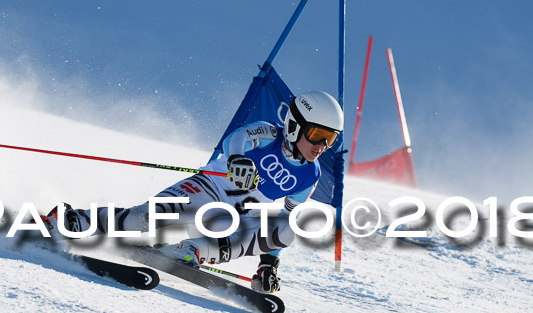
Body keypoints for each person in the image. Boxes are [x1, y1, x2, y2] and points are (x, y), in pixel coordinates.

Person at [43, 91, 343, 293]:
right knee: (142, 222)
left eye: (330, 139)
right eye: (317, 134)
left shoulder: (310, 175)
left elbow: (283, 220)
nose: (321, 146)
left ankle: (191, 252)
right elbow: (237, 138)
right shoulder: (270, 133)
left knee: (292, 227)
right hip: (208, 189)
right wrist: (237, 159)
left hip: (235, 219)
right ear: (294, 125)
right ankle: (71, 221)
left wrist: (268, 263)